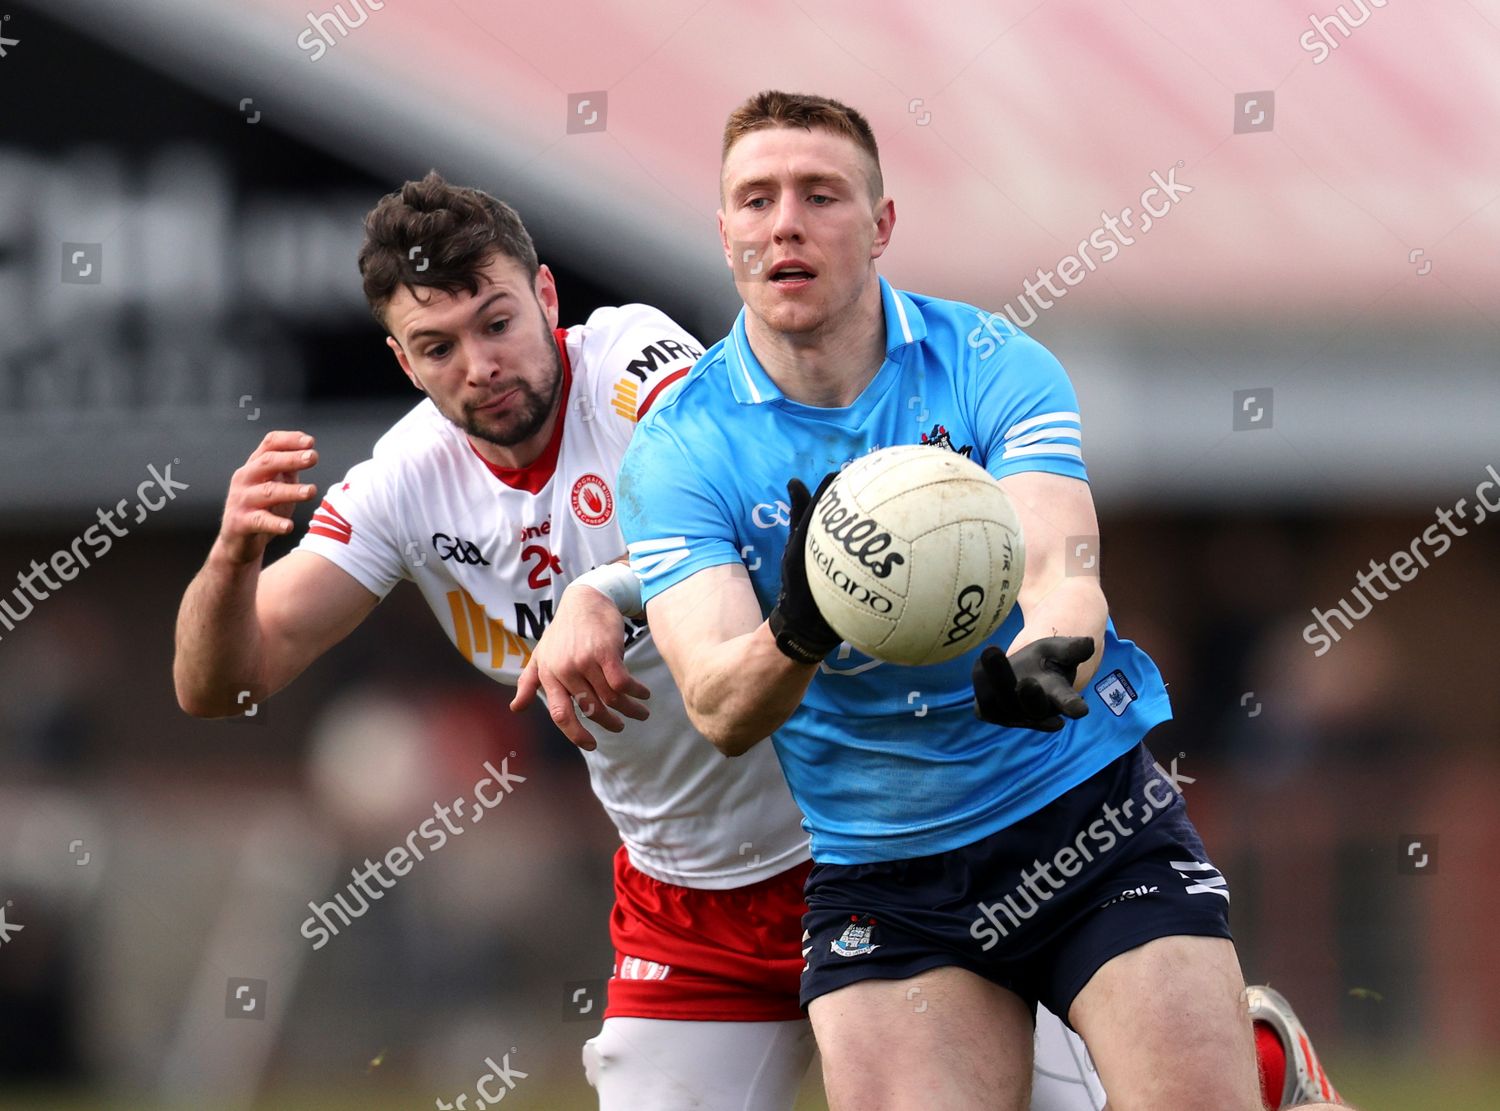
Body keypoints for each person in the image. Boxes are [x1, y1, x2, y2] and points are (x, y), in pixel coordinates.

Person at [615, 90, 1346, 1111]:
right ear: (725, 230)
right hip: (884, 874)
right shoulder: (680, 446)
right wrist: (800, 626)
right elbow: (719, 706)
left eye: (821, 195)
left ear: (880, 225)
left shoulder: (993, 365)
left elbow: (1064, 573)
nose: (785, 221)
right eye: (756, 199)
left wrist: (1052, 662)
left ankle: (1262, 1078)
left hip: (1082, 820)